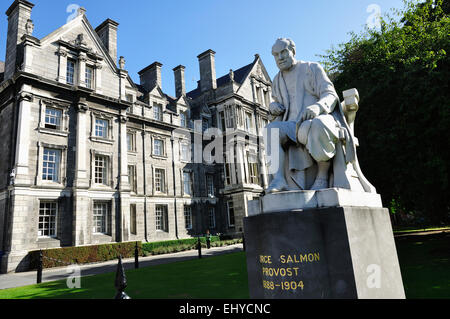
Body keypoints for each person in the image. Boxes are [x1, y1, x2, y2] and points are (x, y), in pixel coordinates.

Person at [266, 38, 349, 193]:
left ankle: (322, 175)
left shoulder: (312, 68)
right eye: (276, 55)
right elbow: (277, 102)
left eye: (283, 52)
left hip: (314, 120)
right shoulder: (277, 80)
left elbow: (330, 94)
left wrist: (318, 107)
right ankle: (279, 179)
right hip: (291, 125)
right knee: (271, 131)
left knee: (319, 125)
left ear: (293, 51)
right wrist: (273, 106)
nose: (280, 58)